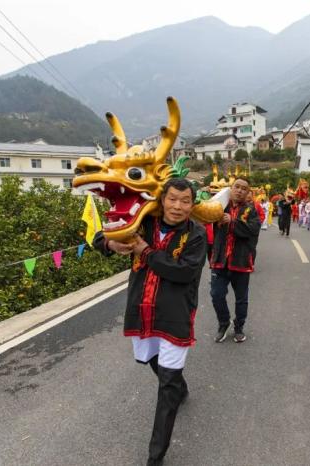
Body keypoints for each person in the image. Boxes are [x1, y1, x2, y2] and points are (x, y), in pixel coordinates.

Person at [93, 178, 207, 466]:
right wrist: (110, 243)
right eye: (172, 199)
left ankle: (155, 457)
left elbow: (184, 272)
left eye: (185, 201)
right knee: (154, 362)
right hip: (142, 310)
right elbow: (98, 236)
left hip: (176, 315)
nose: (178, 206)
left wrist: (144, 251)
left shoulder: (196, 234)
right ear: (162, 200)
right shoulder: (142, 222)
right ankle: (179, 386)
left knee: (166, 386)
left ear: (192, 205)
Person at [210, 177, 261, 343]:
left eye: (243, 188)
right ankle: (223, 323)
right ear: (230, 188)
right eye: (236, 187)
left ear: (248, 192)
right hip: (220, 260)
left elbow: (253, 230)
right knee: (216, 294)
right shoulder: (218, 207)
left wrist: (232, 221)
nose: (239, 190)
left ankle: (239, 327)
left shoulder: (251, 210)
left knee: (241, 299)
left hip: (241, 261)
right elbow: (205, 223)